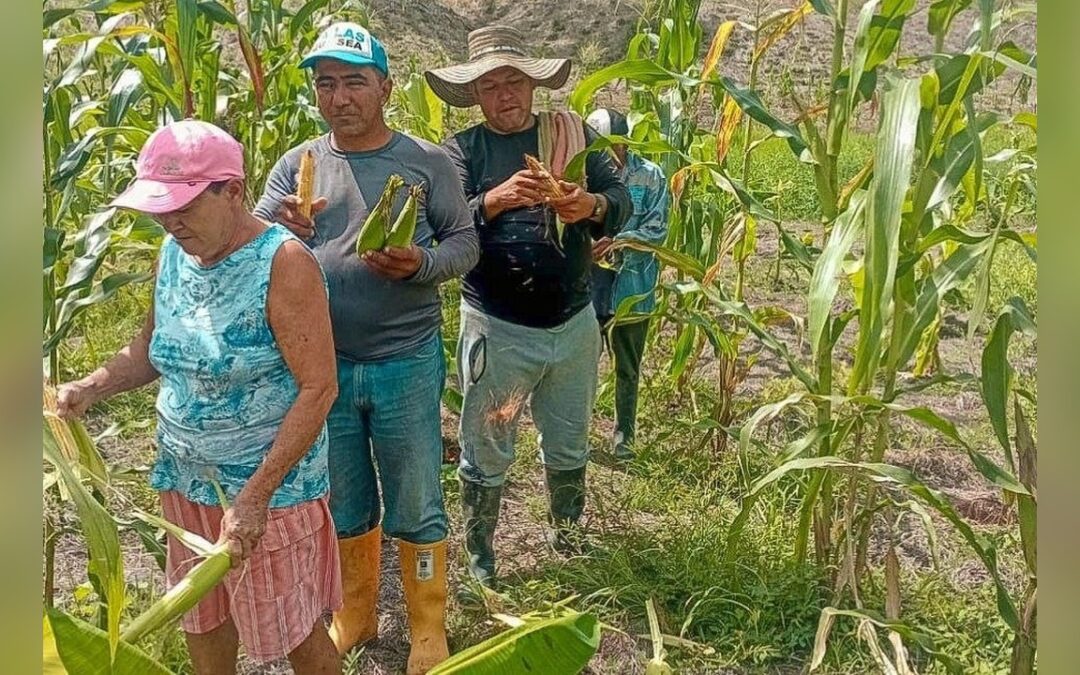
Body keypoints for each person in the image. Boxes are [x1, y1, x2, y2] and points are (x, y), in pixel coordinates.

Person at [56, 120, 342, 674]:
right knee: (204, 618)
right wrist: (92, 386)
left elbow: (319, 387)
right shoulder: (175, 253)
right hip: (186, 480)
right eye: (161, 208)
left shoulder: (282, 264)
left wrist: (256, 495)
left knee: (293, 628)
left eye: (183, 206)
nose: (170, 220)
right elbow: (150, 348)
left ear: (232, 191)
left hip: (268, 490)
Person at [253, 22, 478, 673]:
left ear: (385, 85)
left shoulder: (425, 162)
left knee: (416, 499)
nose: (340, 96)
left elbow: (465, 243)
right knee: (346, 497)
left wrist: (420, 264)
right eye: (327, 83)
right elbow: (255, 239)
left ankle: (427, 626)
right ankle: (357, 612)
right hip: (323, 368)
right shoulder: (299, 165)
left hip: (404, 359)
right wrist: (277, 226)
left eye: (355, 81)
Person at [425, 25, 631, 589]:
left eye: (513, 80)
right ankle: (482, 557)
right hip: (498, 326)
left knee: (568, 436)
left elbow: (620, 201)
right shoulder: (460, 151)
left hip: (573, 321)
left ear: (532, 85)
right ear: (476, 94)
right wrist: (492, 201)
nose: (504, 93)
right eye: (491, 85)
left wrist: (587, 203)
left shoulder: (571, 133)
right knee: (486, 443)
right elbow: (443, 222)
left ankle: (566, 533)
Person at [585, 108, 670, 462]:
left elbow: (658, 228)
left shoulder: (650, 177)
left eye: (615, 146)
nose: (610, 154)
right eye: (601, 147)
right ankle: (577, 434)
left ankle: (624, 437)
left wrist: (619, 241)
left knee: (628, 366)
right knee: (582, 362)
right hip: (589, 285)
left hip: (633, 285)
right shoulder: (583, 176)